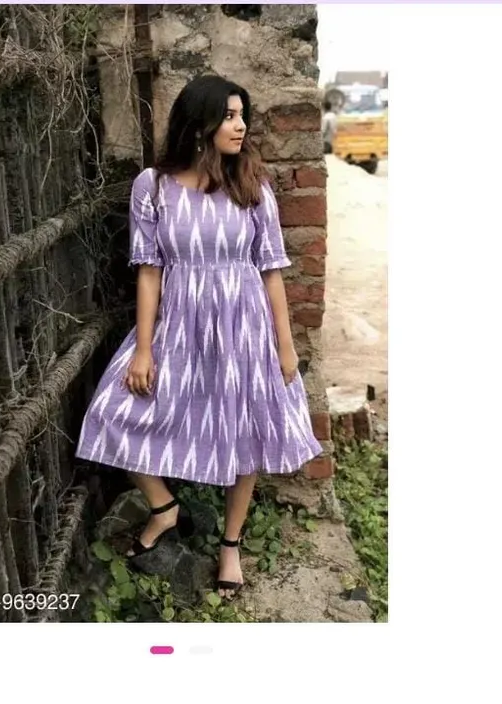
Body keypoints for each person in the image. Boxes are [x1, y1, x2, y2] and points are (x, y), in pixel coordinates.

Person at [76, 75, 322, 599]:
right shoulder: (154, 187)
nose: (241, 125)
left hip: (244, 323)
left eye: (242, 115)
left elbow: (272, 269)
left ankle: (231, 543)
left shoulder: (252, 183)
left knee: (246, 428)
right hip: (180, 322)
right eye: (229, 116)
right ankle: (165, 508)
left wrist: (285, 344)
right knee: (111, 410)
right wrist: (143, 349)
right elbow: (148, 270)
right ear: (199, 123)